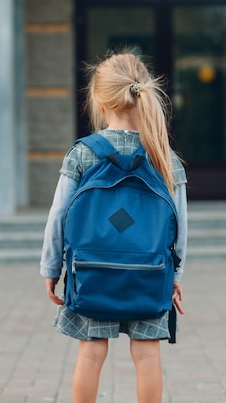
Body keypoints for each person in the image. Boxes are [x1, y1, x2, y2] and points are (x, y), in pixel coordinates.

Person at [39, 49, 188, 403]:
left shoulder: (83, 153)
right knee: (147, 354)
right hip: (149, 273)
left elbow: (59, 214)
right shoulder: (164, 156)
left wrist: (51, 267)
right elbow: (180, 225)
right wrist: (176, 275)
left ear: (99, 101)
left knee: (90, 354)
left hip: (92, 270)